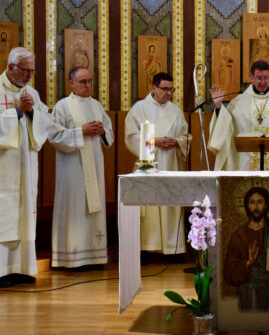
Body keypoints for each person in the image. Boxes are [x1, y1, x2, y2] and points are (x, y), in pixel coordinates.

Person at [0, 47, 59, 288]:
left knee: (23, 215)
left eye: (32, 70)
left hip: (24, 166)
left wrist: (32, 112)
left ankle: (21, 268)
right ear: (11, 67)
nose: (30, 75)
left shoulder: (31, 92)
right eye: (26, 70)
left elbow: (46, 122)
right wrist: (17, 113)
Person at [49, 67, 114, 269]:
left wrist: (102, 131)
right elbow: (54, 137)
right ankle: (72, 257)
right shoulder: (62, 107)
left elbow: (109, 134)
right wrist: (81, 131)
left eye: (90, 81)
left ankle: (94, 257)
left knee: (93, 209)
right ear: (71, 83)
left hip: (94, 168)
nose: (88, 86)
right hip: (73, 169)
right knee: (75, 209)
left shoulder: (96, 106)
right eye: (83, 81)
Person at [125, 72, 191, 256]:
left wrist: (177, 142)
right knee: (149, 206)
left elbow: (186, 136)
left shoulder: (176, 111)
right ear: (153, 88)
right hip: (148, 165)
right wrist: (154, 140)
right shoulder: (139, 108)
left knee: (170, 205)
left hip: (170, 164)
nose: (169, 93)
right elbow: (130, 136)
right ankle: (146, 247)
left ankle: (173, 247)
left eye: (171, 89)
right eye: (164, 89)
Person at [223, 187, 269, 312]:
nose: (256, 207)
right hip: (249, 289)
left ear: (266, 205)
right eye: (252, 202)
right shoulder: (239, 235)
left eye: (260, 202)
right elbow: (229, 272)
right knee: (253, 291)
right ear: (247, 206)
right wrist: (249, 262)